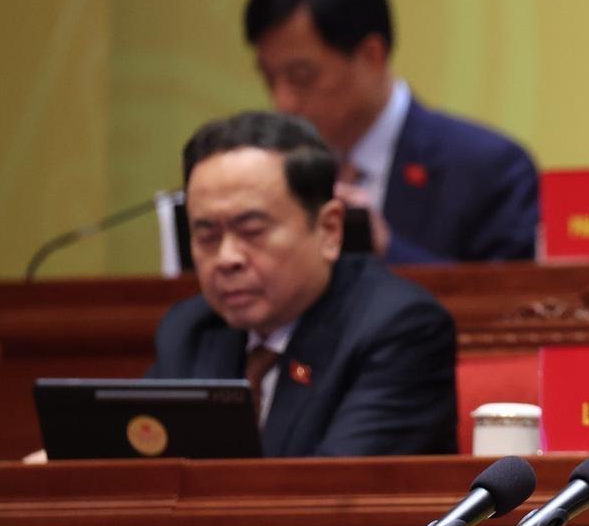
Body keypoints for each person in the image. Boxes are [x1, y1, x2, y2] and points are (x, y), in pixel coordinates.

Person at [148, 111, 458, 456]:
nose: (227, 258)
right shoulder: (189, 330)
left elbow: (329, 484)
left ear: (329, 230)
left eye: (252, 231)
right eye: (207, 236)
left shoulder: (399, 330)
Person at [244, 0, 538, 263]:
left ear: (372, 55)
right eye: (269, 79)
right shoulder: (275, 169)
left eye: (301, 77)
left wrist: (386, 249)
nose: (282, 102)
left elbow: (508, 293)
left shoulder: (489, 169)